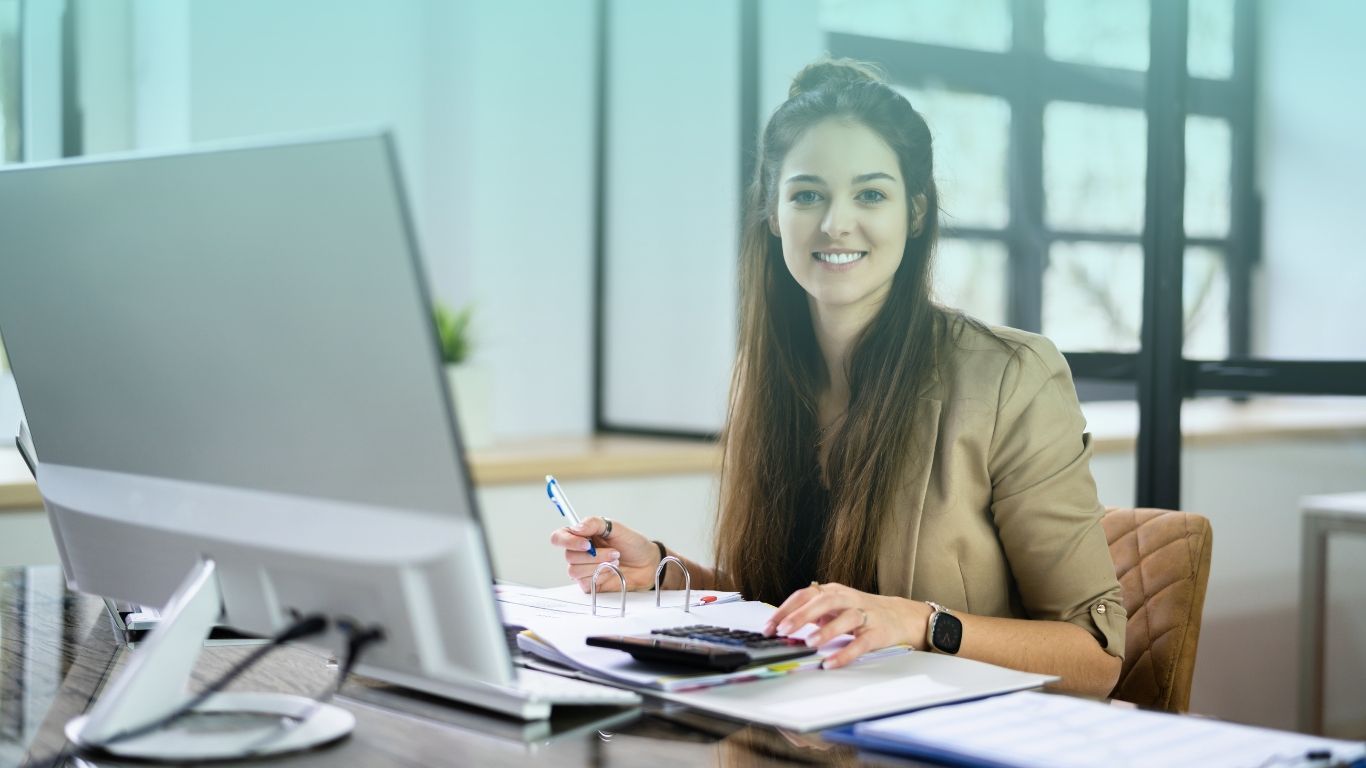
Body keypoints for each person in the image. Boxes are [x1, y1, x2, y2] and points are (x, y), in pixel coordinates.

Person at [550, 58, 1125, 696]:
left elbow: (1096, 658)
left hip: (948, 732)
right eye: (807, 195)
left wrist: (919, 623)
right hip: (801, 724)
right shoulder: (766, 374)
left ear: (915, 212)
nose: (835, 223)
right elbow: (780, 606)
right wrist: (663, 570)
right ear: (774, 214)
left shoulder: (1011, 377)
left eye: (870, 194)